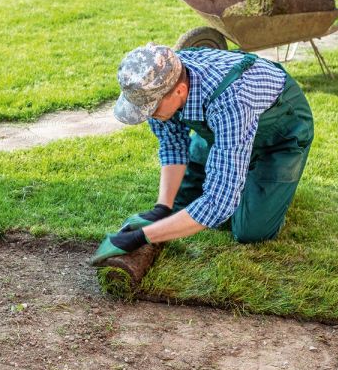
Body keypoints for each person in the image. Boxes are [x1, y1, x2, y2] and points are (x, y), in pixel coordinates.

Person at [92, 42, 314, 264]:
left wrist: (141, 237)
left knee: (249, 231)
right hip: (225, 132)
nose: (148, 115)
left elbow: (218, 203)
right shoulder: (160, 77)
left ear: (180, 91)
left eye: (152, 109)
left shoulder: (232, 100)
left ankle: (270, 186)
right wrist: (162, 208)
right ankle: (239, 171)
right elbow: (172, 145)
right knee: (180, 207)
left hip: (279, 136)